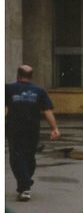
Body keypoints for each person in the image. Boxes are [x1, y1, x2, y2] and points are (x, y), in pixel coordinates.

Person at [5, 64, 61, 201]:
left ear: (18, 75)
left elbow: (4, 108)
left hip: (14, 128)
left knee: (18, 157)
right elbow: (47, 111)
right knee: (28, 157)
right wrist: (54, 128)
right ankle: (25, 183)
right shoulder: (39, 91)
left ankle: (25, 186)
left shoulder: (8, 89)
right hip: (32, 129)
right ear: (31, 77)